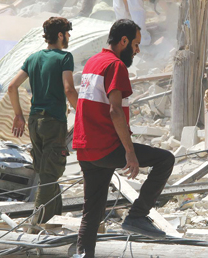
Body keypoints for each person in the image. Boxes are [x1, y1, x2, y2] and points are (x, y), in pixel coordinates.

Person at [73, 19, 174, 258]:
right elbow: (115, 110)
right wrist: (130, 153)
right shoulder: (116, 65)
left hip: (85, 149)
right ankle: (137, 216)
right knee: (165, 160)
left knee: (92, 211)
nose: (137, 51)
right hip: (106, 147)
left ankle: (82, 254)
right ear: (124, 41)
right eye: (136, 44)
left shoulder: (93, 62)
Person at [8, 17, 78, 224]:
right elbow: (69, 89)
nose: (68, 37)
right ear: (60, 35)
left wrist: (18, 115)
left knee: (46, 171)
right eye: (67, 33)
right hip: (53, 122)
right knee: (49, 174)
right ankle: (36, 225)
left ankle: (53, 219)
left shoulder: (33, 58)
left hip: (34, 121)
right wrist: (83, 113)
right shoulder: (65, 58)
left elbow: (12, 87)